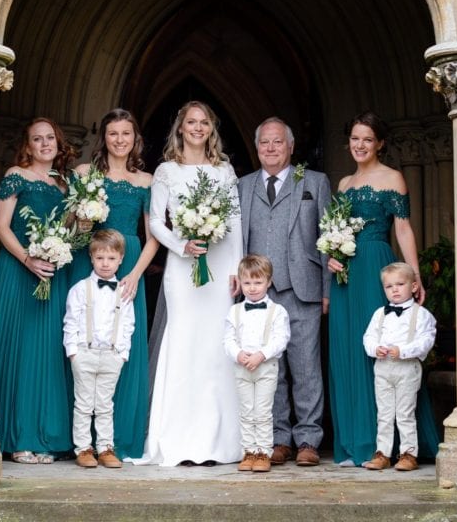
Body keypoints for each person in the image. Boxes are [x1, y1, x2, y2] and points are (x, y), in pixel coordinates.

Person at [326, 110, 439, 467]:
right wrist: (331, 256)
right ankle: (354, 441)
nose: (360, 145)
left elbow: (403, 229)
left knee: (380, 348)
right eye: (355, 138)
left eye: (367, 139)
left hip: (375, 265)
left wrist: (414, 276)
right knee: (348, 349)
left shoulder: (393, 178)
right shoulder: (344, 184)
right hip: (344, 274)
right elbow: (335, 231)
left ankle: (394, 447)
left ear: (380, 144)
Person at [138, 100, 243, 466]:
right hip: (182, 268)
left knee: (216, 346)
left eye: (204, 122)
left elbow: (235, 221)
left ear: (211, 129)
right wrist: (180, 245)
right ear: (180, 128)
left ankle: (217, 441)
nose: (198, 128)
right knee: (183, 342)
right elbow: (155, 222)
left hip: (220, 266)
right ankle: (177, 439)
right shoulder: (166, 170)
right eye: (191, 122)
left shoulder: (224, 170)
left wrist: (236, 268)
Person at [0, 117, 77, 464]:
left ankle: (44, 436)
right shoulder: (15, 176)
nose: (45, 144)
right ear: (27, 145)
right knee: (20, 350)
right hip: (19, 271)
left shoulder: (65, 184)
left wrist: (62, 246)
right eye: (37, 139)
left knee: (48, 352)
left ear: (58, 142)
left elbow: (67, 229)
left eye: (50, 138)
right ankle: (18, 437)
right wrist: (27, 258)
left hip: (52, 272)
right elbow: (0, 226)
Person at [237, 117, 331, 466]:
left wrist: (327, 290)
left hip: (302, 288)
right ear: (256, 148)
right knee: (268, 370)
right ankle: (278, 439)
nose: (271, 148)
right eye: (265, 142)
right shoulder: (243, 186)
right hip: (258, 293)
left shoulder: (315, 182)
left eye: (278, 142)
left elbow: (327, 238)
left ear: (291, 146)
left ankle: (308, 439)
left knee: (306, 368)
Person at [70, 109, 159, 459]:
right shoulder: (85, 174)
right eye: (113, 134)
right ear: (103, 138)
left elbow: (153, 236)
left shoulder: (146, 180)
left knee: (123, 344)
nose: (120, 140)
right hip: (90, 258)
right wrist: (81, 222)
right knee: (84, 336)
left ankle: (115, 440)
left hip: (130, 261)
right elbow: (70, 227)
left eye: (126, 134)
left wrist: (135, 273)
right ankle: (80, 442)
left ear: (135, 138)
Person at [64, 229, 136, 469]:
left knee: (105, 405)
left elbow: (128, 324)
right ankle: (84, 448)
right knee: (84, 404)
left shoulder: (124, 291)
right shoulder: (80, 288)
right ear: (91, 258)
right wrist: (73, 352)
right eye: (100, 258)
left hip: (112, 356)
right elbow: (71, 321)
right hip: (84, 353)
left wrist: (122, 353)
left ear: (121, 259)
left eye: (111, 258)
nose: (105, 263)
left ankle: (105, 448)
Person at [361, 262, 436, 471]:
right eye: (389, 286)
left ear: (413, 286)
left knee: (405, 413)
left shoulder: (421, 314)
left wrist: (403, 351)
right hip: (383, 368)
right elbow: (368, 337)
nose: (394, 289)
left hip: (407, 368)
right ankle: (383, 453)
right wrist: (375, 349)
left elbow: (426, 341)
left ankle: (409, 454)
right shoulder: (380, 314)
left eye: (400, 284)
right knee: (384, 414)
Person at [223, 255, 291, 473]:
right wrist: (238, 354)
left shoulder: (277, 311)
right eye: (247, 283)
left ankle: (263, 452)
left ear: (268, 282)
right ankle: (249, 452)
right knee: (246, 411)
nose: (252, 288)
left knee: (262, 412)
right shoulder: (234, 311)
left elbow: (281, 339)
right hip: (242, 368)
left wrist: (261, 355)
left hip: (265, 368)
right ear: (240, 283)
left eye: (258, 282)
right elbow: (228, 339)